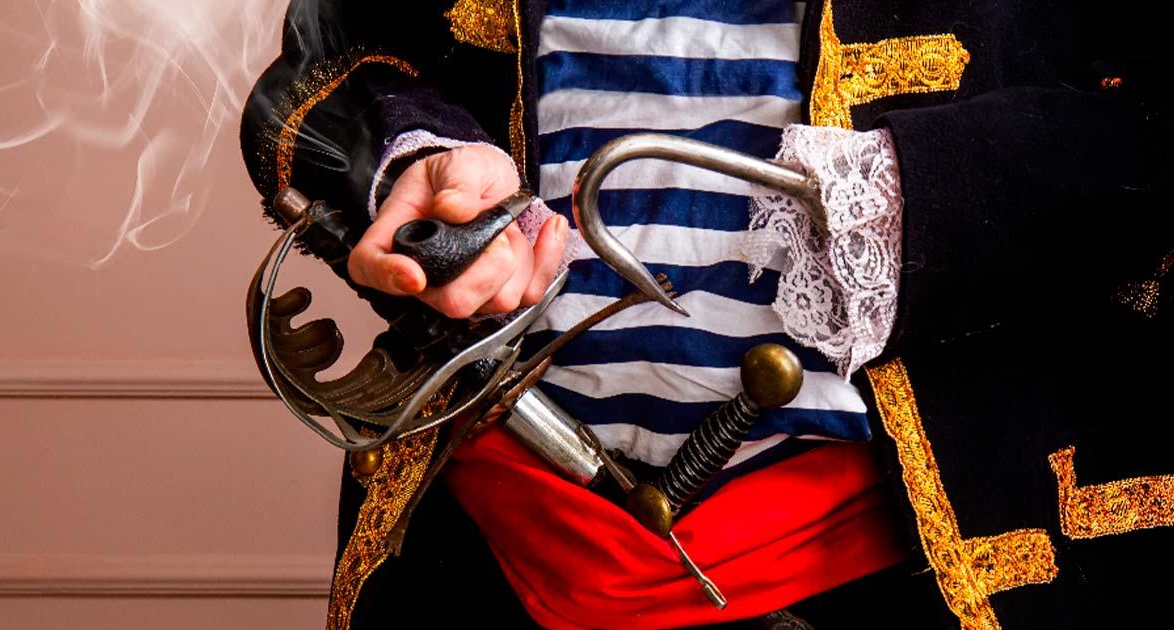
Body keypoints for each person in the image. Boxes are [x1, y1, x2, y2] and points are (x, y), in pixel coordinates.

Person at [241, 1, 1172, 628]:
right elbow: (339, 55)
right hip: (496, 546)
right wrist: (413, 155)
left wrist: (930, 193)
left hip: (909, 557)